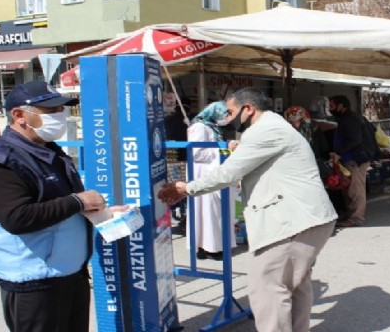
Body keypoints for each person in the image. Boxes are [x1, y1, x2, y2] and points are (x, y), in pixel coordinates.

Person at [158, 87, 337, 332]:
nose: (228, 118)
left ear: (249, 108)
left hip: (290, 222)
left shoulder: (264, 130)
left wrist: (186, 188)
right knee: (295, 285)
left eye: (231, 112)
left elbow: (228, 173)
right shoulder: (275, 127)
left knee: (268, 288)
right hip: (308, 219)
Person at [0, 81, 107, 332]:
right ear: (19, 115)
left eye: (61, 109)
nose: (60, 115)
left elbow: (63, 204)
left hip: (70, 275)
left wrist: (97, 212)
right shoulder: (4, 160)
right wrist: (78, 201)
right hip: (35, 284)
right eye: (50, 111)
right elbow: (16, 217)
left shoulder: (50, 151)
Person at [187, 101, 236, 260]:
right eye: (225, 114)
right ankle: (206, 247)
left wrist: (226, 148)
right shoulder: (200, 127)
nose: (227, 118)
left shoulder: (212, 127)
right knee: (206, 211)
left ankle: (214, 246)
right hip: (203, 174)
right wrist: (226, 148)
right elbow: (197, 153)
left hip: (211, 172)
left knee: (213, 212)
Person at [328, 95, 373, 227]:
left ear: (340, 106)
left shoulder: (350, 119)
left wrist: (339, 153)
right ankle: (351, 215)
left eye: (331, 106)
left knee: (356, 190)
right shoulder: (347, 118)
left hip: (356, 159)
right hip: (350, 159)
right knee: (349, 189)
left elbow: (355, 140)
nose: (330, 109)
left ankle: (356, 218)